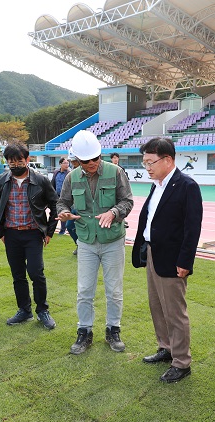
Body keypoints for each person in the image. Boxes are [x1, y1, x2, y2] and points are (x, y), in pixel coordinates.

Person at [131, 137, 202, 383]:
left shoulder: (186, 186)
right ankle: (166, 347)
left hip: (173, 260)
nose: (147, 167)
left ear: (168, 160)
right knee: (156, 305)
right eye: (144, 162)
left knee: (175, 312)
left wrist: (185, 262)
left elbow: (192, 228)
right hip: (153, 253)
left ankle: (182, 362)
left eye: (151, 162)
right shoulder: (157, 185)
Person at [57, 130, 134, 354]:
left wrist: (114, 212)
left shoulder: (116, 172)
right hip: (86, 241)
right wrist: (63, 213)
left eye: (95, 158)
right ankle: (84, 332)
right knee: (84, 290)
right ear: (77, 160)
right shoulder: (72, 177)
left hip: (112, 240)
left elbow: (127, 201)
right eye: (85, 160)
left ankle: (113, 329)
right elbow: (62, 202)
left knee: (114, 290)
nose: (92, 163)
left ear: (100, 154)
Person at [0, 143, 59, 330]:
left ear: (27, 160)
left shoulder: (41, 180)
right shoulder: (2, 181)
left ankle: (42, 310)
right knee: (18, 275)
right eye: (11, 161)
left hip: (33, 234)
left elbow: (55, 205)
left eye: (19, 160)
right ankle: (24, 310)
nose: (16, 164)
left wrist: (49, 231)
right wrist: (0, 230)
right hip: (11, 235)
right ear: (7, 162)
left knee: (36, 273)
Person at [51, 157, 70, 235]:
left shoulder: (69, 173)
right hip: (56, 196)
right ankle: (52, 229)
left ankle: (63, 230)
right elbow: (52, 183)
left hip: (65, 197)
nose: (67, 165)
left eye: (67, 163)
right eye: (65, 163)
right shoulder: (56, 172)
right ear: (60, 164)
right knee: (54, 213)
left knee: (63, 212)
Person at [65, 150, 79, 255]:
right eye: (72, 161)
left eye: (75, 161)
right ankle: (78, 245)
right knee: (69, 226)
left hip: (85, 208)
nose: (73, 163)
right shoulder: (71, 174)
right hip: (74, 207)